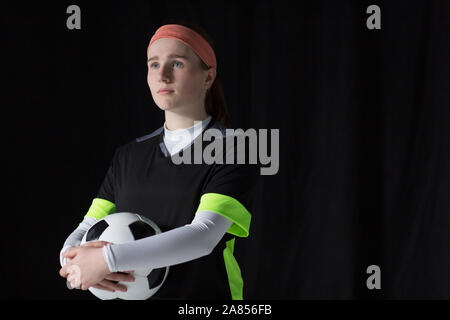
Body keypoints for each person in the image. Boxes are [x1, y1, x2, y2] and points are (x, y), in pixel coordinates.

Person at [59, 22, 259, 300]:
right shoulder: (128, 155)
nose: (162, 75)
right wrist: (70, 260)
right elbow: (86, 228)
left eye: (176, 63)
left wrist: (107, 259)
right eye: (154, 64)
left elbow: (203, 236)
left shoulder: (237, 147)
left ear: (208, 77)